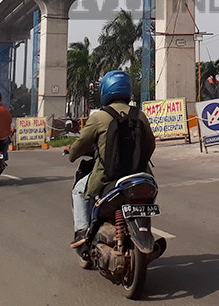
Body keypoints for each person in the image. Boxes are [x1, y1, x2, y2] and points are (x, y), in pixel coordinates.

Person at [65, 70, 156, 248]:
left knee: (79, 191)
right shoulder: (139, 115)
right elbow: (150, 145)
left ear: (105, 90)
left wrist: (72, 154)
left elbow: (81, 143)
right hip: (141, 174)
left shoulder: (99, 117)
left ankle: (82, 232)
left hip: (106, 176)